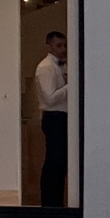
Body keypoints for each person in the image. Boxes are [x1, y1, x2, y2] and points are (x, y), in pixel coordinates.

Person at [35, 29, 69, 207]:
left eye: (64, 45)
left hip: (60, 117)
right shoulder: (47, 67)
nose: (63, 49)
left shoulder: (60, 65)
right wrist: (69, 87)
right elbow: (49, 98)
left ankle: (56, 202)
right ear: (49, 46)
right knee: (54, 162)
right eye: (58, 45)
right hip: (54, 117)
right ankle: (50, 203)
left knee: (60, 163)